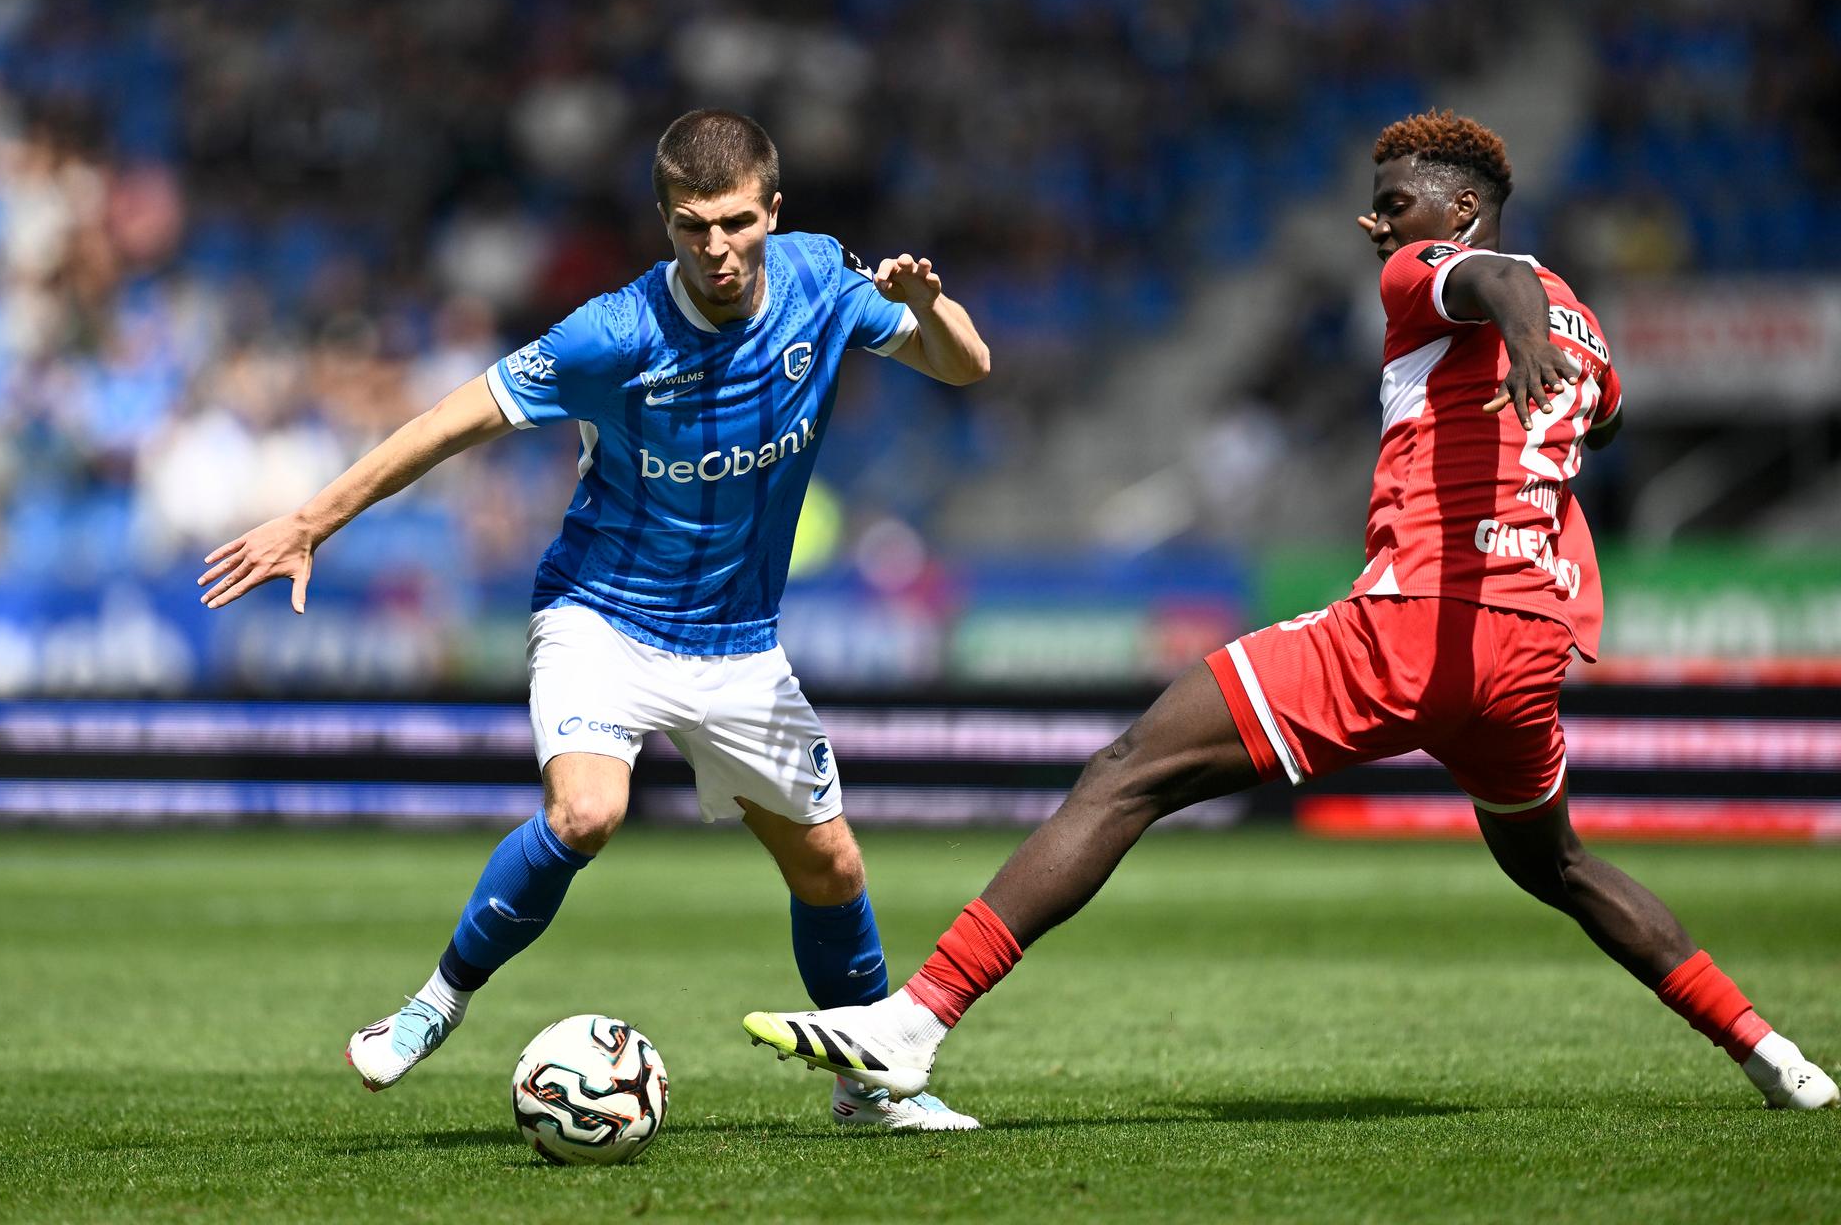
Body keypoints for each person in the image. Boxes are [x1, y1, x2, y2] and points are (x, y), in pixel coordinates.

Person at [742, 109, 1838, 1114]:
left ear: (1457, 209)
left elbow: (1495, 279)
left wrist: (1517, 317)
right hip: (1525, 650)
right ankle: (1773, 1054)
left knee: (1130, 769)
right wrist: (1552, 351)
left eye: (1397, 199)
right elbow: (1604, 416)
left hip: (1416, 621)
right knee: (1560, 864)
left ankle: (912, 1022)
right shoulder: (1590, 325)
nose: (1377, 219)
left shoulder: (1434, 273)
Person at [200, 109, 991, 1131]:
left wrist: (931, 309)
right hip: (601, 615)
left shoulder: (824, 280)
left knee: (831, 864)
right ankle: (434, 1004)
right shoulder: (610, 334)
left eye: (738, 222)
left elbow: (964, 365)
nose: (718, 248)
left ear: (775, 212)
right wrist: (312, 519)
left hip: (737, 640)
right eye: (693, 225)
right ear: (662, 220)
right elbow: (451, 422)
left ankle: (872, 1089)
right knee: (587, 811)